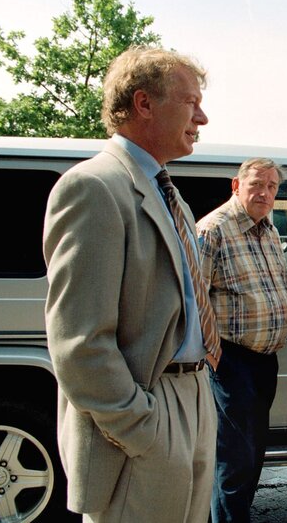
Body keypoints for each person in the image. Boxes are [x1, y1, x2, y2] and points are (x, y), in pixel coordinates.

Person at [43, 47, 219, 521]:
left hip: (196, 396)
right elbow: (79, 344)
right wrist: (142, 428)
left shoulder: (172, 195)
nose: (201, 117)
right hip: (148, 409)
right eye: (190, 102)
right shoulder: (93, 187)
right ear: (143, 103)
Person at [196, 158, 287, 522]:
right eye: (256, 184)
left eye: (271, 186)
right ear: (236, 186)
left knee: (253, 454)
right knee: (234, 459)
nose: (264, 193)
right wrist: (211, 352)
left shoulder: (269, 230)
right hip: (231, 361)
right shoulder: (212, 229)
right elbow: (192, 296)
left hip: (265, 362)